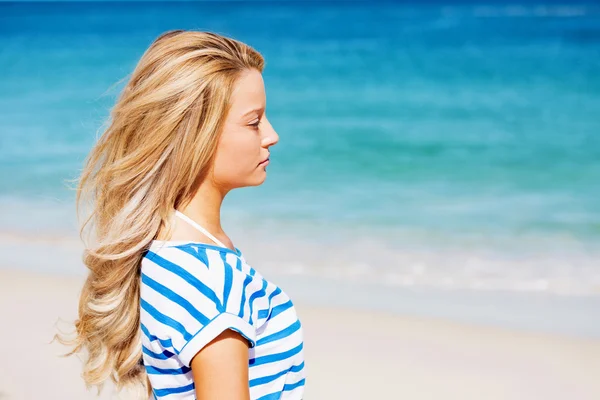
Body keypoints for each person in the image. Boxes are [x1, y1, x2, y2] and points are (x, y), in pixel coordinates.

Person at [55, 30, 306, 400]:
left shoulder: (168, 251)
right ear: (196, 135)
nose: (272, 135)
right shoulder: (211, 280)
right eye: (254, 122)